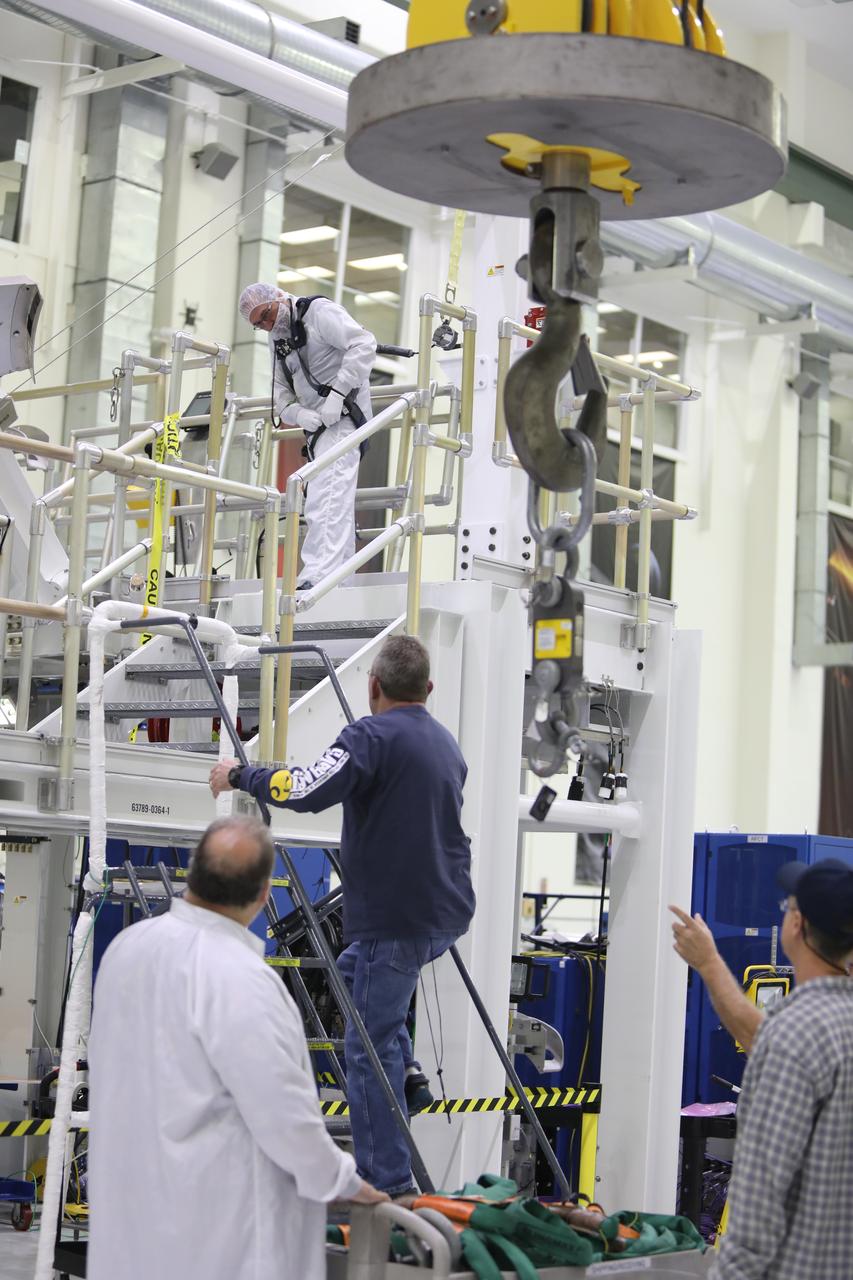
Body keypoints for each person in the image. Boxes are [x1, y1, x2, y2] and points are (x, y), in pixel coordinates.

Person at [210, 634, 476, 1198]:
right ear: (428, 689)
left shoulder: (369, 737)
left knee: (365, 1047)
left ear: (373, 686)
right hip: (445, 913)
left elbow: (305, 789)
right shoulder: (446, 744)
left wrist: (239, 774)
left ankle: (387, 1183)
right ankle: (408, 1074)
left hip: (395, 920)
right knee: (355, 974)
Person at [87, 815, 386, 1280]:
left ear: (192, 872)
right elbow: (284, 1117)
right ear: (264, 895)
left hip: (130, 1228)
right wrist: (343, 1181)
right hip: (217, 1240)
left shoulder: (127, 948)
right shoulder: (240, 978)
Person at [676, 859, 853, 1279]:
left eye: (787, 905)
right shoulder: (825, 1025)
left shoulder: (792, 1035)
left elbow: (760, 1206)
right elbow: (769, 1037)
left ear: (797, 924)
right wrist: (710, 964)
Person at [238, 281, 376, 590]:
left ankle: (317, 578)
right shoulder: (278, 339)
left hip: (343, 419)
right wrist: (299, 414)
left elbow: (364, 344)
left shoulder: (319, 313)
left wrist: (339, 392)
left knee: (326, 498)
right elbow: (280, 395)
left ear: (279, 297)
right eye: (259, 324)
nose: (267, 325)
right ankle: (339, 583)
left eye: (267, 315)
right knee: (333, 500)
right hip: (318, 429)